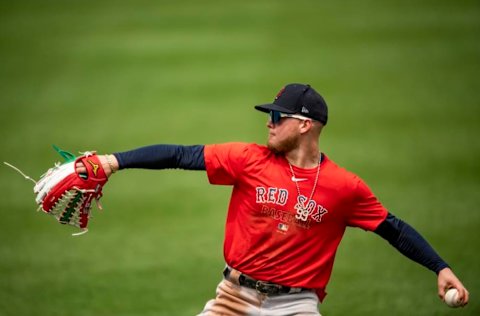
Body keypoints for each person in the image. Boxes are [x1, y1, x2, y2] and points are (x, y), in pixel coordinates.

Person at [77, 83, 469, 315]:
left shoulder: (344, 187)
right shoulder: (248, 159)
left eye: (278, 116)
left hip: (296, 306)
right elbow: (181, 154)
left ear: (304, 124)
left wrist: (439, 267)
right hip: (233, 296)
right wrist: (114, 161)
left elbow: (392, 229)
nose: (269, 121)